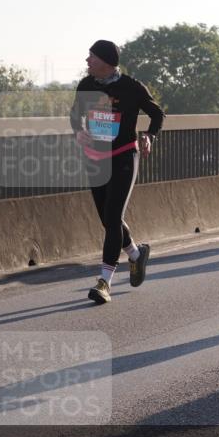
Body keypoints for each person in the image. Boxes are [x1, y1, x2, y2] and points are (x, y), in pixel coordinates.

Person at [71, 40, 164, 304]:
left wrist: (149, 136)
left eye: (91, 57)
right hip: (96, 159)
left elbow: (157, 114)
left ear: (106, 61)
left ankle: (104, 282)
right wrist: (79, 130)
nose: (87, 61)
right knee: (107, 219)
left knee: (113, 216)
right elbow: (75, 115)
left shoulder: (131, 87)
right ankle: (135, 254)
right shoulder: (86, 85)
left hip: (124, 156)